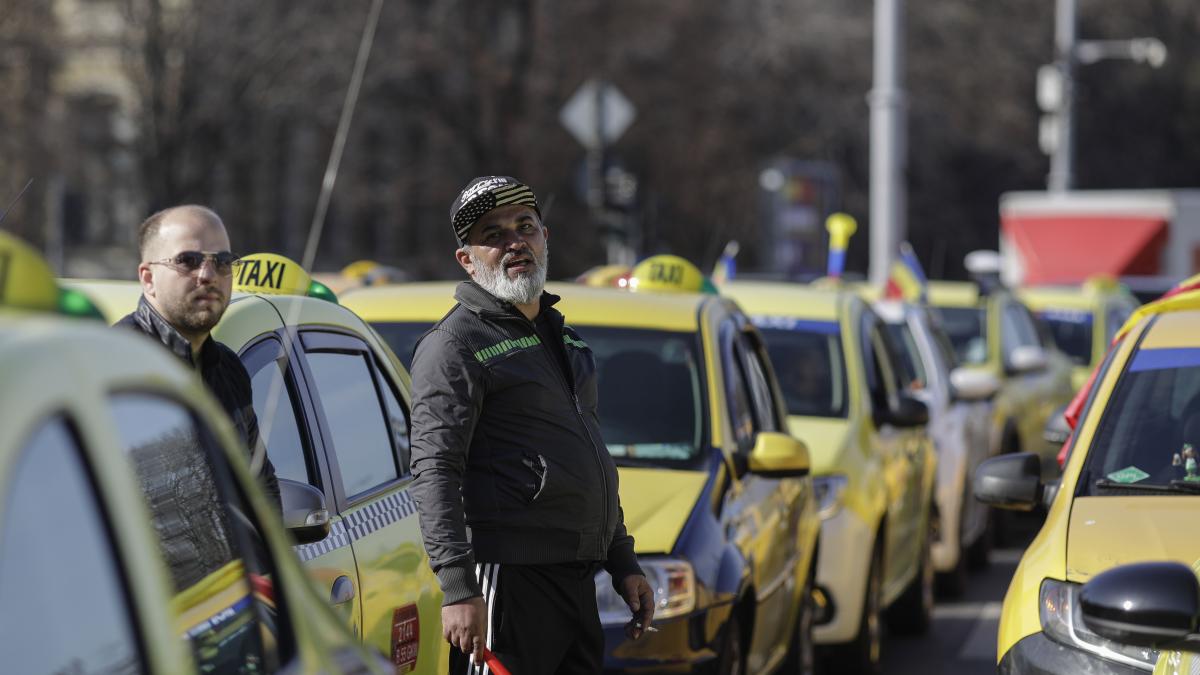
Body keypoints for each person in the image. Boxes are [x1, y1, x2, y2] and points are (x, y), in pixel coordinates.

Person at [409, 176, 654, 675]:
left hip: (577, 580)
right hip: (509, 580)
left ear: (546, 237)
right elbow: (434, 469)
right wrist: (458, 586)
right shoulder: (454, 345)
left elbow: (588, 459)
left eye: (525, 227)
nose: (514, 242)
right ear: (467, 260)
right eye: (493, 234)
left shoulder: (565, 341)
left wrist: (622, 560)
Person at [116, 205, 280, 511]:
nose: (208, 275)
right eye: (188, 261)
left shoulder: (229, 369)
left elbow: (261, 489)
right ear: (148, 278)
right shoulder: (113, 369)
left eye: (223, 262)